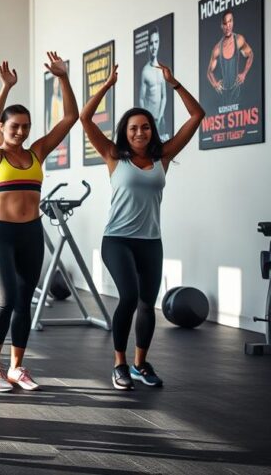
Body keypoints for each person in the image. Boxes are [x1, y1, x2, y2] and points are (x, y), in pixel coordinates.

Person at [82, 63, 204, 390]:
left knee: (147, 304)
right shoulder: (112, 154)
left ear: (152, 130)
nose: (140, 132)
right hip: (117, 239)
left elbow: (196, 116)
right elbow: (84, 118)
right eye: (134, 128)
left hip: (151, 240)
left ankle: (140, 363)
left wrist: (174, 83)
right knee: (130, 296)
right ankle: (119, 364)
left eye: (146, 127)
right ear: (126, 131)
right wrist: (106, 85)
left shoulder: (162, 156)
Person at [0, 54, 78, 394]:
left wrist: (63, 78)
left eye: (25, 126)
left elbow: (70, 118)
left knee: (24, 303)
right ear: (3, 129)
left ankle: (17, 367)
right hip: (2, 234)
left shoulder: (36, 152)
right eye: (14, 126)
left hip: (32, 234)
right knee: (6, 300)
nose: (20, 131)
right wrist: (5, 89)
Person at [206, 10, 254, 105]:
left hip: (237, 91)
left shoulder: (239, 40)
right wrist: (215, 84)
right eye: (225, 23)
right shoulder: (217, 49)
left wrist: (244, 73)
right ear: (221, 25)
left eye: (230, 21)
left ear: (233, 22)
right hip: (224, 94)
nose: (228, 26)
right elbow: (209, 72)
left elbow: (250, 55)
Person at [138, 30, 170, 140]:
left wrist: (160, 117)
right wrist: (146, 119)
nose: (154, 46)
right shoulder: (145, 71)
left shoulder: (162, 69)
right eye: (151, 43)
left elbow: (164, 96)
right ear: (148, 46)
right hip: (148, 121)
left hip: (160, 119)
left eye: (156, 42)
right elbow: (141, 99)